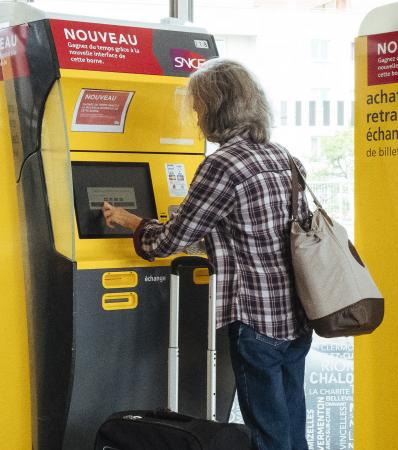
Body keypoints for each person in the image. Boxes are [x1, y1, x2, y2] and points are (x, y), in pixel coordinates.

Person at [103, 59, 312, 450]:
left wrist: (133, 223)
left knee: (267, 435)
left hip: (256, 321)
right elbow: (277, 232)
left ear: (217, 107)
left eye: (198, 106)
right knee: (290, 429)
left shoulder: (222, 165)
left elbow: (169, 242)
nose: (196, 117)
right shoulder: (282, 157)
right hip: (296, 317)